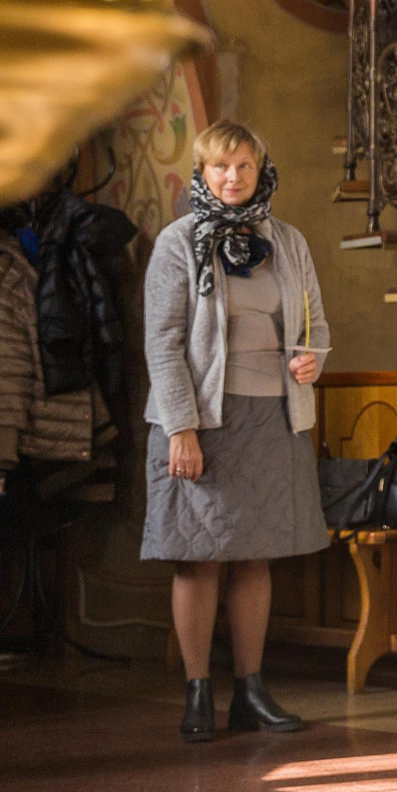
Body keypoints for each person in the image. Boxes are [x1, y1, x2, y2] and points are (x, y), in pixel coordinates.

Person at [142, 122, 327, 743]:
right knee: (198, 558)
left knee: (256, 556)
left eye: (244, 166)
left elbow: (313, 324)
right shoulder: (178, 242)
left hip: (274, 416)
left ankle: (250, 691)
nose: (233, 178)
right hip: (202, 421)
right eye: (221, 167)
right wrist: (181, 428)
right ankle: (199, 692)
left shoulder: (288, 241)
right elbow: (162, 343)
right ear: (203, 172)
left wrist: (311, 357)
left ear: (259, 170)